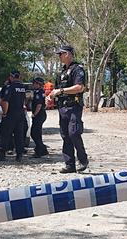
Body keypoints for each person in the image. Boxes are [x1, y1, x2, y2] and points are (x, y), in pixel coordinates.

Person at [47, 45, 88, 173]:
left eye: (61, 54)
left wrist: (61, 91)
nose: (59, 56)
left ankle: (83, 160)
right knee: (65, 135)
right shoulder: (61, 72)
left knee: (74, 133)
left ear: (68, 54)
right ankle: (69, 165)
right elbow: (56, 90)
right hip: (62, 107)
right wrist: (50, 97)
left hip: (74, 106)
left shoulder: (78, 69)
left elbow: (79, 87)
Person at [0, 70, 26, 162]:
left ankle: (1, 155)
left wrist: (5, 113)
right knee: (19, 135)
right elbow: (24, 101)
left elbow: (5, 101)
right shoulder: (23, 87)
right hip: (20, 114)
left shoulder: (10, 87)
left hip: (11, 114)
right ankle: (19, 155)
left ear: (11, 77)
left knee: (4, 134)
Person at [30, 77, 48, 157]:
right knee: (37, 133)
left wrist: (34, 114)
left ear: (38, 84)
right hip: (40, 115)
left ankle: (39, 150)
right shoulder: (37, 92)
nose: (33, 85)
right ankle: (42, 149)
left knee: (34, 133)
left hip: (39, 115)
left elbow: (39, 105)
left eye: (34, 83)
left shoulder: (39, 93)